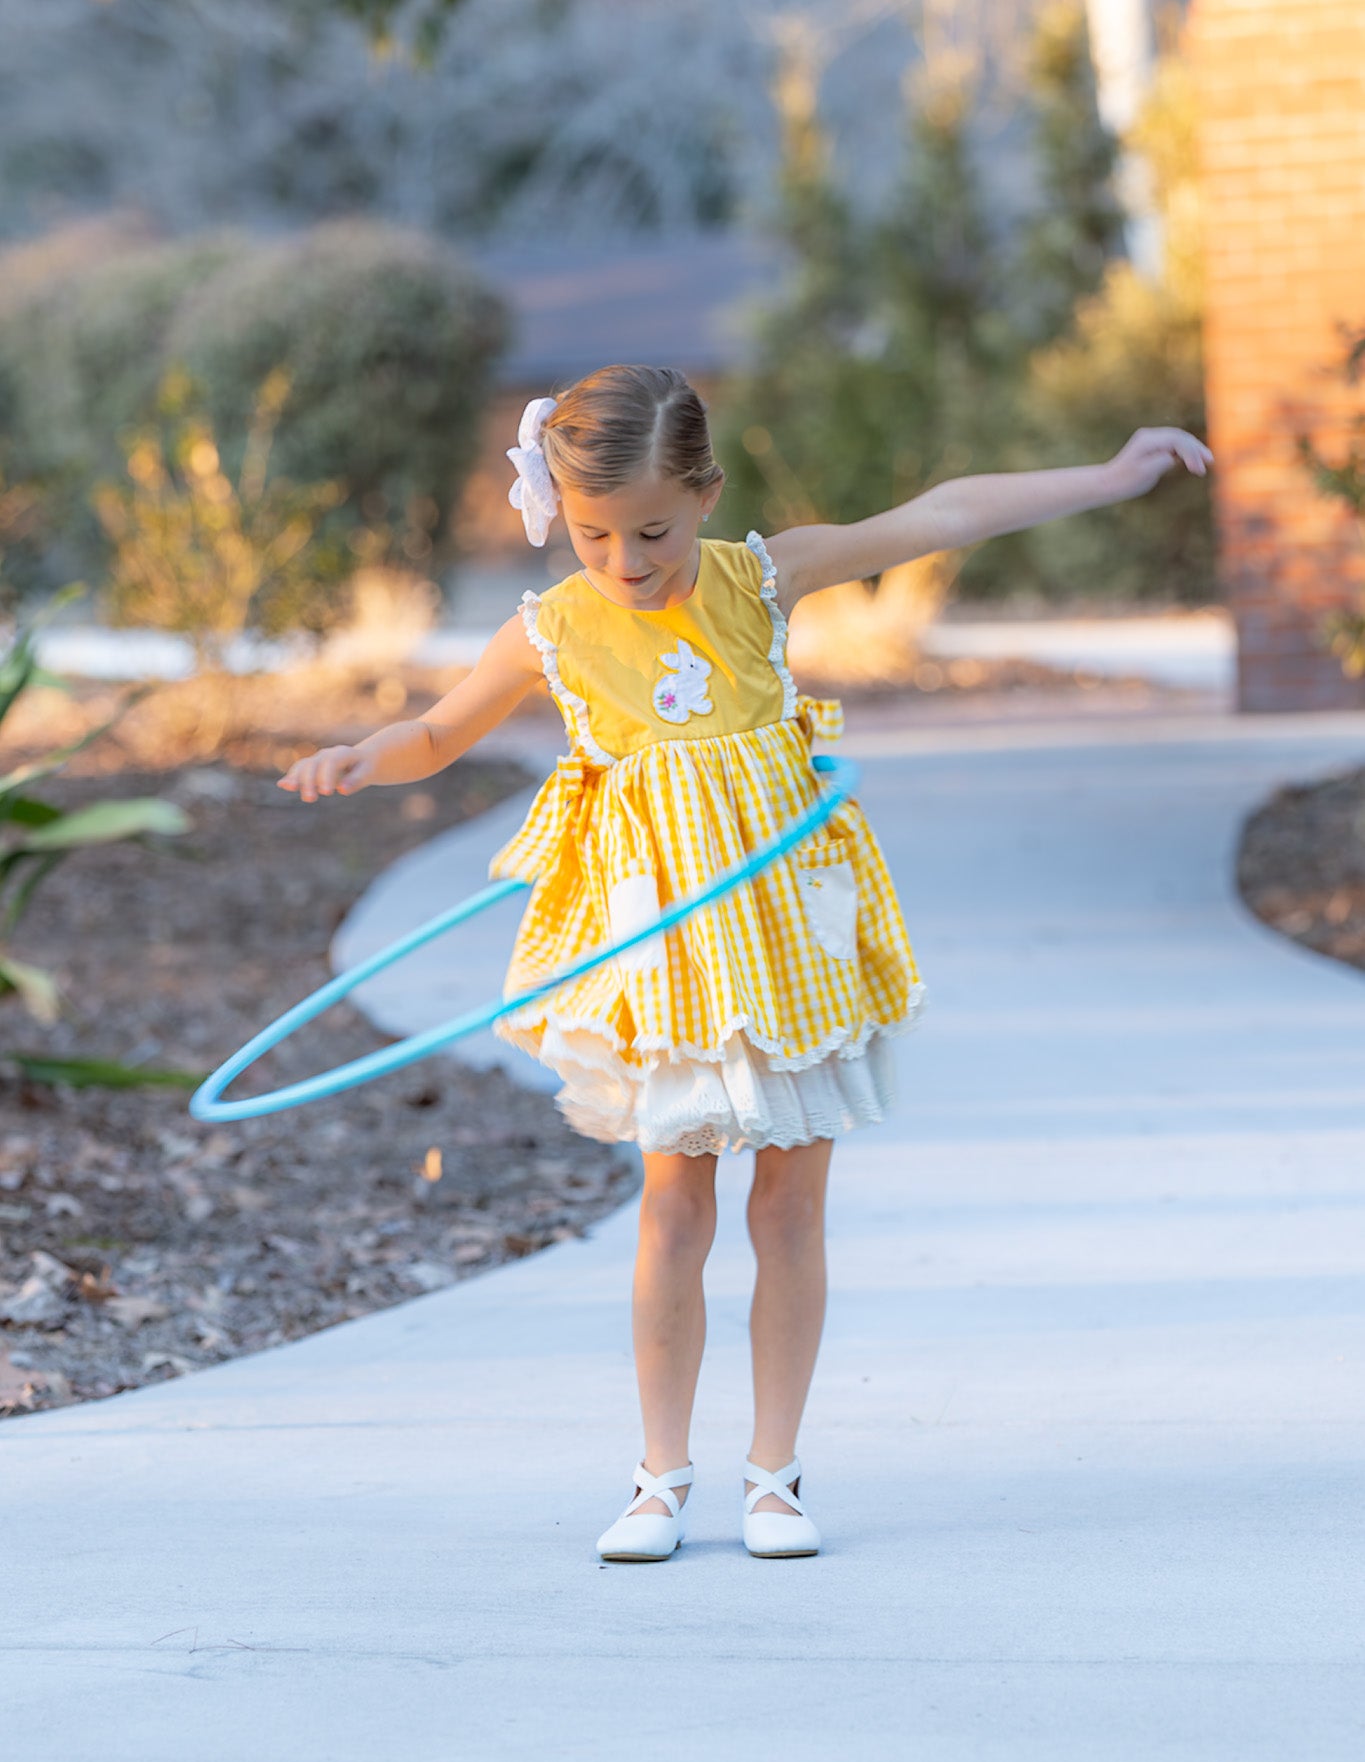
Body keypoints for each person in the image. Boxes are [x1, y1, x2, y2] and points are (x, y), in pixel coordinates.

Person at [279, 364, 1212, 1564]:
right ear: (557, 505)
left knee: (791, 1202)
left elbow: (941, 516)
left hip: (782, 939)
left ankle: (774, 1471)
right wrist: (363, 754)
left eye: (654, 528)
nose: (624, 558)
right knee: (672, 1204)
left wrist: (1112, 472)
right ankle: (659, 1473)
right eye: (593, 529)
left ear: (707, 495)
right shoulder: (553, 625)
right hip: (663, 953)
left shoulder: (760, 580)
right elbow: (439, 729)